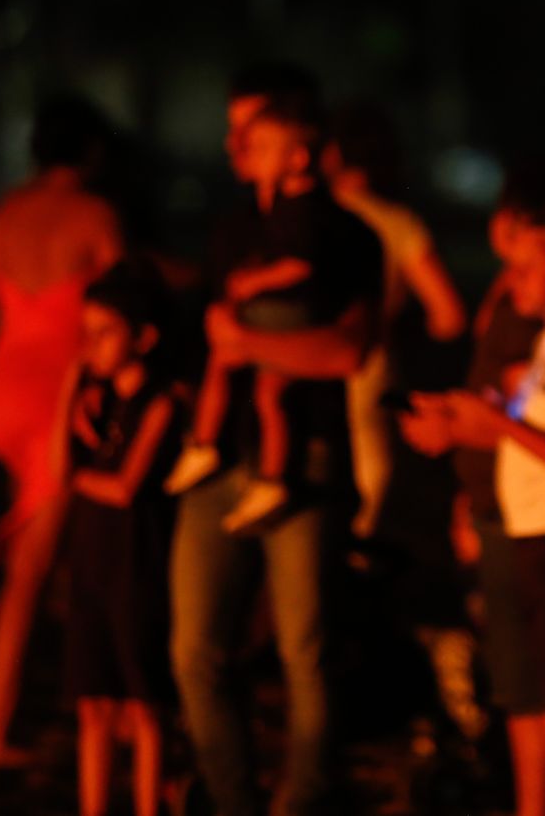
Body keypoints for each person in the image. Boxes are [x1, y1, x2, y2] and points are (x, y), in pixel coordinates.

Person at [168, 63, 383, 816]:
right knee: (195, 650)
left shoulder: (345, 234)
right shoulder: (232, 231)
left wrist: (248, 346)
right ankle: (230, 796)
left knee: (304, 650)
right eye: (234, 130)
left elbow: (345, 352)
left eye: (254, 129)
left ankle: (305, 797)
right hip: (222, 458)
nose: (236, 144)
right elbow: (210, 331)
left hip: (306, 458)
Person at [411, 207, 545, 816]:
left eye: (530, 266)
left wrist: (499, 422)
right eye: (511, 267)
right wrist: (460, 424)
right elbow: (521, 432)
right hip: (532, 534)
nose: (514, 278)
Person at [0, 96, 124, 770]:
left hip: (3, 400)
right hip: (58, 405)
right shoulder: (96, 216)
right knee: (30, 572)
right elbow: (123, 301)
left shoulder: (5, 215)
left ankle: (63, 705)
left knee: (49, 554)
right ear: (91, 153)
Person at [166, 97, 350, 535]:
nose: (243, 151)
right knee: (249, 383)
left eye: (260, 145)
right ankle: (212, 446)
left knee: (266, 392)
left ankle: (265, 473)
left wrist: (254, 284)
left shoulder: (311, 214)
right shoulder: (253, 219)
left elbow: (300, 264)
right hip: (266, 326)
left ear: (298, 157)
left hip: (286, 326)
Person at [61, 261, 181, 816]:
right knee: (93, 704)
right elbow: (54, 467)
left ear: (144, 337)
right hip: (91, 564)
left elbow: (127, 486)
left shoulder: (160, 403)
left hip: (136, 569)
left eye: (105, 332)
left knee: (143, 707)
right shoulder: (95, 405)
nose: (93, 346)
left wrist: (80, 478)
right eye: (87, 332)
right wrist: (68, 392)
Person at [322, 107, 467, 541]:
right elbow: (449, 315)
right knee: (366, 507)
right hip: (371, 371)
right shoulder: (396, 222)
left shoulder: (312, 216)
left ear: (332, 153)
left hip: (302, 364)